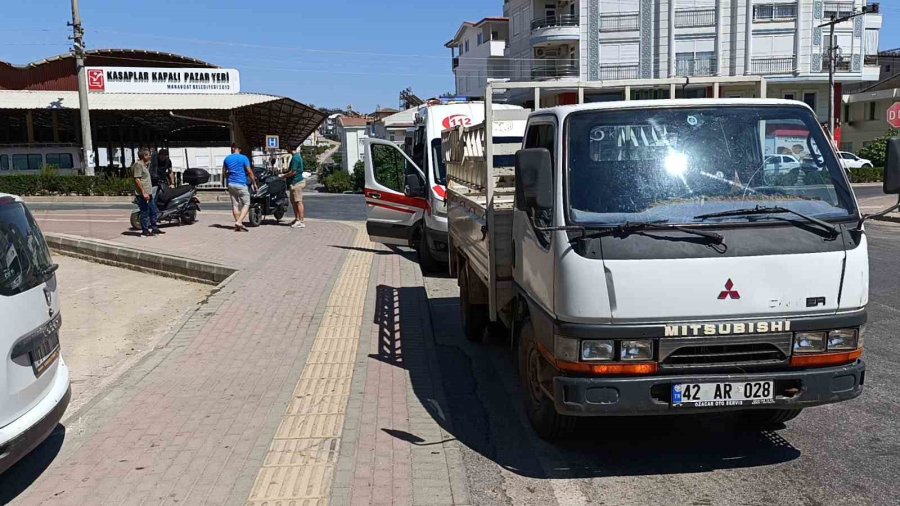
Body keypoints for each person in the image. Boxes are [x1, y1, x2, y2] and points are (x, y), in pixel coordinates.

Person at [222, 143, 257, 232]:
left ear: (232, 149)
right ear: (239, 149)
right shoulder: (244, 158)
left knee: (235, 204)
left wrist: (228, 179)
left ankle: (238, 225)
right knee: (246, 203)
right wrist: (254, 183)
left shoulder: (227, 158)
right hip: (241, 184)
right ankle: (239, 221)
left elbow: (224, 173)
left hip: (231, 184)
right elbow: (249, 171)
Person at [132, 148, 164, 237]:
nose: (150, 156)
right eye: (149, 155)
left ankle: (155, 229)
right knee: (144, 212)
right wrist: (143, 192)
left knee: (153, 211)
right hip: (142, 194)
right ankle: (145, 231)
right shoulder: (138, 165)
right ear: (144, 156)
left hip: (148, 193)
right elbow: (137, 179)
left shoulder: (144, 165)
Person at [285, 149, 306, 228]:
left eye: (287, 148)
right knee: (294, 202)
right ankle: (297, 219)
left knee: (298, 201)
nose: (286, 149)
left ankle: (301, 221)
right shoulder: (297, 157)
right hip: (294, 182)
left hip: (296, 182)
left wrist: (283, 176)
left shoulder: (295, 158)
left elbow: (293, 172)